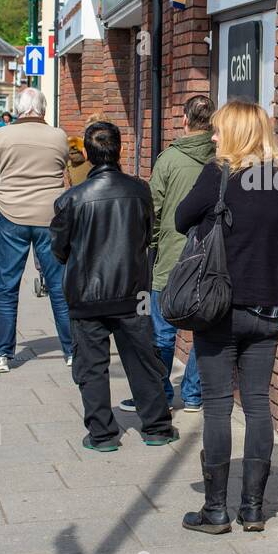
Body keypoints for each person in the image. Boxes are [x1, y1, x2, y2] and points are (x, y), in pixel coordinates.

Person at [177, 101, 278, 534]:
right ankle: (253, 508)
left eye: (218, 131)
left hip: (220, 307)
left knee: (215, 407)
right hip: (267, 307)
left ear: (233, 134)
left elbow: (180, 219)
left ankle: (215, 510)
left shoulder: (218, 175)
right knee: (257, 405)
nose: (212, 137)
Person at [50, 121, 178, 451]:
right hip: (133, 292)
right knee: (143, 361)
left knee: (91, 366)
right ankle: (157, 428)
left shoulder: (72, 199)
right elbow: (149, 233)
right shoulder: (140, 190)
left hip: (86, 295)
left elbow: (59, 249)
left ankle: (103, 434)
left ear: (89, 156)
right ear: (119, 149)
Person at [118, 94, 214, 416]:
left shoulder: (169, 160)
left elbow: (153, 211)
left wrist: (151, 247)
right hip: (211, 260)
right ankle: (194, 395)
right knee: (204, 330)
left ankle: (160, 391)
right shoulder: (223, 159)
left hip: (171, 259)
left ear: (184, 121)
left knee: (162, 330)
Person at [0, 87, 73, 374]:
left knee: (6, 286)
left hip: (10, 214)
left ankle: (2, 354)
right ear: (43, 109)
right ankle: (72, 351)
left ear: (18, 109)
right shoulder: (58, 137)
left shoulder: (1, 136)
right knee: (59, 286)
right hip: (50, 217)